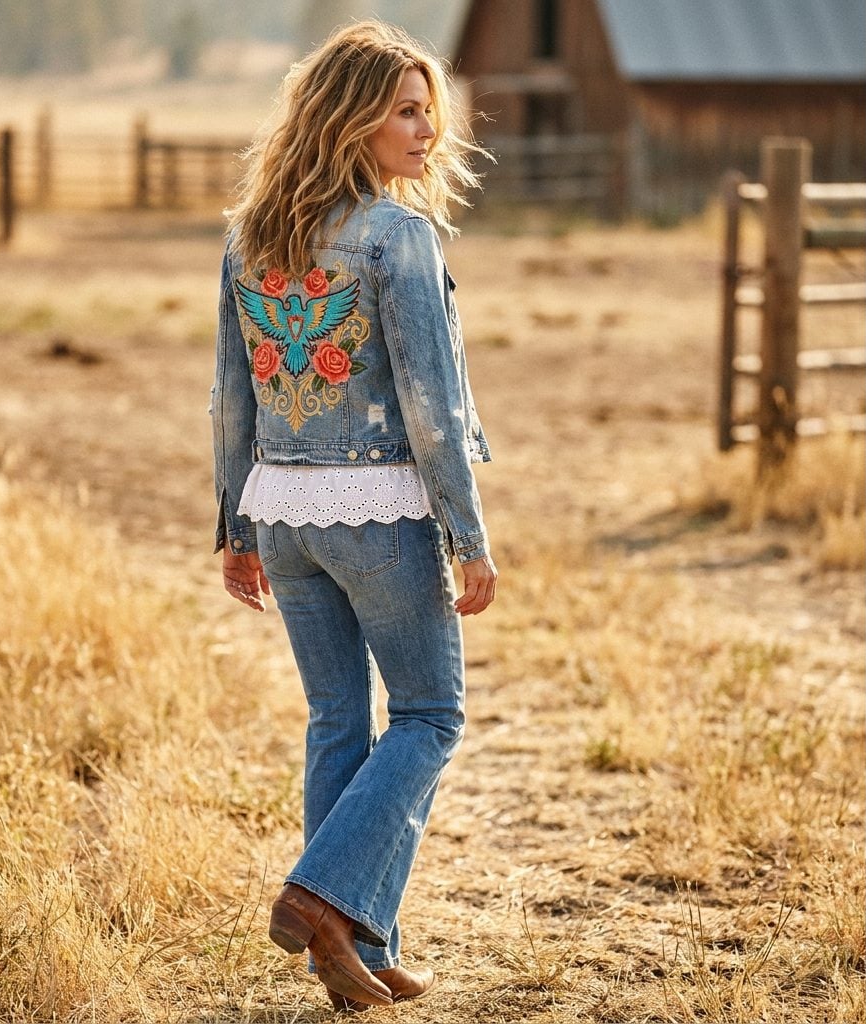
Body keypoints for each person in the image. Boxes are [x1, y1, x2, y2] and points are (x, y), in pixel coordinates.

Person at [210, 19, 497, 1012]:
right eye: (404, 112)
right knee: (428, 713)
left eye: (428, 111)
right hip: (375, 511)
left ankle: (361, 946)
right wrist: (469, 537)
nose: (425, 130)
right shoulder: (397, 235)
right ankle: (320, 897)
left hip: (282, 510)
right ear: (350, 122)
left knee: (339, 718)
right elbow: (433, 407)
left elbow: (229, 399)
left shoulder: (250, 232)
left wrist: (233, 528)